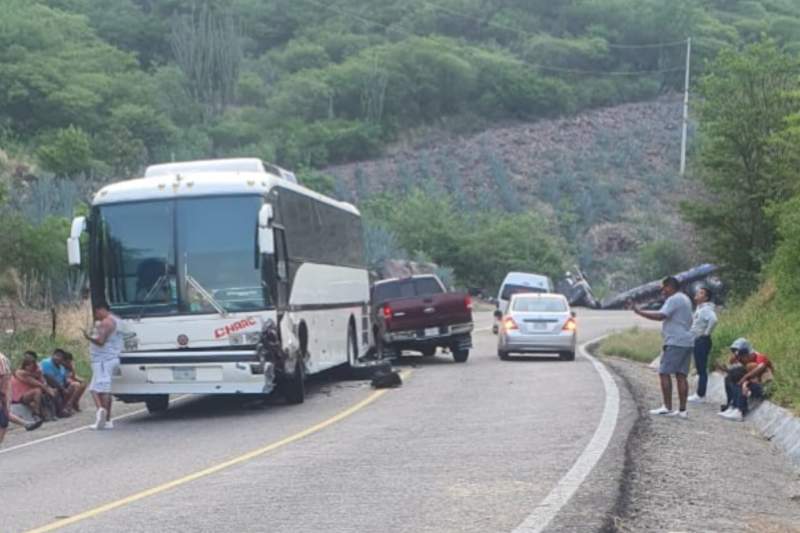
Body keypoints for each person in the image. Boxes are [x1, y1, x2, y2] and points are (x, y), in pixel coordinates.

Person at [630, 276, 695, 418]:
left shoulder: (674, 299)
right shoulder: (685, 299)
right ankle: (682, 410)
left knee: (664, 373)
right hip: (687, 341)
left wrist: (639, 312)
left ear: (670, 287)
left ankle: (667, 407)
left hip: (675, 341)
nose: (663, 291)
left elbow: (661, 315)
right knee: (681, 375)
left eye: (664, 288)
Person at [82, 303, 123, 430]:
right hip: (107, 359)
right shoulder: (117, 320)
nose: (96, 316)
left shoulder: (106, 322)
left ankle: (103, 414)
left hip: (104, 360)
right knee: (95, 388)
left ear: (101, 309)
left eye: (97, 313)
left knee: (102, 389)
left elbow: (100, 341)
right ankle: (104, 417)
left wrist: (88, 337)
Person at [719, 338, 774, 421]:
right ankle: (733, 406)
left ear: (747, 354)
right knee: (730, 378)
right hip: (755, 383)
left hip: (764, 387)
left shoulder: (759, 358)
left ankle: (740, 410)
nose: (739, 358)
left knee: (740, 380)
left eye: (740, 356)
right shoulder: (745, 361)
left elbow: (759, 369)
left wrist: (745, 380)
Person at [0, 352, 42, 445]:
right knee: (4, 416)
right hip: (6, 391)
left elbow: (5, 379)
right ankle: (26, 423)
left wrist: (5, 396)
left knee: (4, 417)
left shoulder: (2, 360)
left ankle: (26, 423)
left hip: (4, 391)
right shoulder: (4, 360)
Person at [688, 286, 718, 403]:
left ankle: (700, 395)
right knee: (700, 368)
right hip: (698, 340)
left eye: (701, 293)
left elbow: (714, 320)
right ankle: (699, 394)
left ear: (705, 298)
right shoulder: (699, 308)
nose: (697, 294)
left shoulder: (706, 309)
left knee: (702, 369)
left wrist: (706, 333)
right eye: (698, 292)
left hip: (702, 341)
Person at [11, 352, 58, 421]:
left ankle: (51, 414)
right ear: (25, 366)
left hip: (29, 393)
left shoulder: (36, 372)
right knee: (38, 390)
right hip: (20, 396)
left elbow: (43, 381)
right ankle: (36, 414)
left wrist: (45, 384)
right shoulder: (20, 373)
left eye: (32, 366)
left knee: (44, 391)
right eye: (28, 366)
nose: (29, 367)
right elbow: (37, 383)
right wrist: (48, 389)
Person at [41, 349, 85, 416]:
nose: (58, 358)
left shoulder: (62, 368)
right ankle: (60, 411)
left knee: (75, 385)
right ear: (53, 355)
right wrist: (63, 389)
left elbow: (64, 379)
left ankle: (68, 406)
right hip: (49, 385)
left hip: (60, 386)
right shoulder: (46, 362)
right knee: (56, 391)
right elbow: (50, 379)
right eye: (57, 355)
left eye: (60, 357)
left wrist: (68, 385)